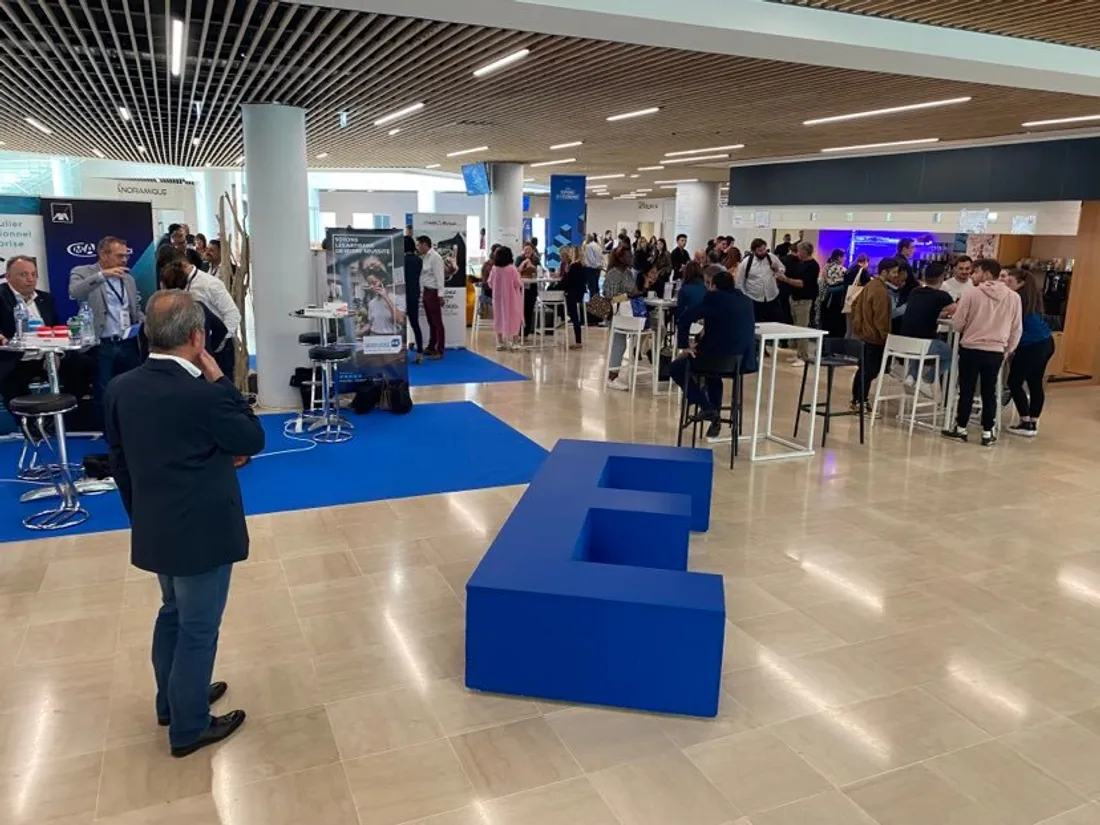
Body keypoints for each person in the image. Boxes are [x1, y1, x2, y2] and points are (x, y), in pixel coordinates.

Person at [105, 290, 264, 758]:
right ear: (197, 338)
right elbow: (251, 438)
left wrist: (141, 515)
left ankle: (173, 700)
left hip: (155, 523)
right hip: (203, 532)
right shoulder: (202, 395)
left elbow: (119, 461)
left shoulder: (120, 388)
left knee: (172, 614)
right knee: (198, 627)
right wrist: (222, 382)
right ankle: (190, 725)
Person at [669, 270, 758, 441]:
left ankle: (706, 406)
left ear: (713, 286)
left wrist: (684, 345)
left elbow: (685, 317)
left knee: (676, 368)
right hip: (739, 362)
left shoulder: (713, 298)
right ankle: (714, 417)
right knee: (713, 375)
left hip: (714, 359)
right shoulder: (746, 301)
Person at [942, 259, 1022, 447]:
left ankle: (961, 428)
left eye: (975, 272)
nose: (972, 275)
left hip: (971, 349)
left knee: (967, 389)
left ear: (986, 274)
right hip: (995, 351)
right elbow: (1017, 328)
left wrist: (966, 327)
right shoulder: (1013, 297)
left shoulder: (971, 293)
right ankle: (987, 432)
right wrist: (1008, 349)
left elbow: (958, 323)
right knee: (990, 391)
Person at [0, 256, 94, 415]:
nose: (30, 279)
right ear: (8, 276)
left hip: (46, 357)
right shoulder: (1, 296)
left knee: (85, 365)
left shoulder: (45, 298)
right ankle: (29, 424)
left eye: (33, 274)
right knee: (11, 381)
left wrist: (57, 353)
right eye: (23, 275)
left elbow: (56, 328)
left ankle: (62, 414)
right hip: (15, 359)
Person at [69, 236, 145, 426]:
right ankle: (106, 433)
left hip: (128, 343)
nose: (125, 260)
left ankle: (132, 428)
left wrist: (148, 322)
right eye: (120, 256)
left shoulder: (128, 278)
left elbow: (133, 309)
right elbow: (74, 292)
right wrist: (103, 276)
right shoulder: (83, 272)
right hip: (102, 344)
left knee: (133, 388)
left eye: (126, 256)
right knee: (103, 391)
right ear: (103, 254)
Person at [160, 245, 241, 378]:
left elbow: (233, 315)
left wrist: (217, 345)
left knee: (220, 390)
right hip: (190, 349)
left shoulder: (210, 284)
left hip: (217, 348)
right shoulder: (177, 280)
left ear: (182, 265)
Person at [850, 257, 906, 414]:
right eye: (893, 272)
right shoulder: (880, 291)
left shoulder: (870, 285)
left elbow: (854, 305)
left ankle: (857, 400)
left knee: (863, 370)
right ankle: (861, 400)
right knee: (869, 371)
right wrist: (885, 336)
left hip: (865, 334)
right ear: (884, 272)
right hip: (874, 337)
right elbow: (881, 317)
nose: (895, 276)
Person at [1003, 268, 1054, 438]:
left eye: (1009, 281)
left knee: (1014, 382)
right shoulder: (1032, 298)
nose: (1006, 284)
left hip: (1031, 345)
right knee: (1035, 382)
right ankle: (1033, 420)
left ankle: (1025, 421)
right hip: (1045, 342)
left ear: (1021, 283)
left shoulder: (1017, 299)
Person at [900, 262, 955, 396]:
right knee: (949, 354)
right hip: (924, 343)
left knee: (919, 346)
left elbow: (924, 311)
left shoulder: (915, 292)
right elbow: (955, 311)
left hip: (902, 342)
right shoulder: (942, 296)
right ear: (942, 278)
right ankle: (926, 380)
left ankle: (911, 377)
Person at [780, 241, 820, 365]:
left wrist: (785, 280)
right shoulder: (800, 263)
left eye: (799, 250)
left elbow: (802, 283)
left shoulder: (813, 266)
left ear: (804, 251)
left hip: (804, 299)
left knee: (802, 327)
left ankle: (803, 356)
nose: (797, 252)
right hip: (795, 298)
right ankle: (799, 353)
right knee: (797, 327)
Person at [603, 244, 637, 389]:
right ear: (620, 258)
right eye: (628, 256)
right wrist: (627, 296)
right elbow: (609, 296)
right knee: (618, 343)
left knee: (621, 344)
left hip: (627, 313)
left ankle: (613, 374)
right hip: (617, 313)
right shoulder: (614, 273)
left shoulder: (628, 273)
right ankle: (611, 377)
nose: (631, 258)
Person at [735, 238, 784, 323]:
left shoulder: (772, 257)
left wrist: (776, 269)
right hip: (754, 299)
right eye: (760, 250)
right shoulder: (746, 262)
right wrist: (746, 296)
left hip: (772, 297)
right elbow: (739, 282)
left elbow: (782, 269)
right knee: (756, 323)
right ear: (754, 251)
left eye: (764, 249)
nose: (763, 252)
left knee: (775, 323)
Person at [488, 246, 524, 351]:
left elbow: (490, 283)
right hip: (512, 298)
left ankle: (499, 342)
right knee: (514, 318)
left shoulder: (494, 269)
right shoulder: (512, 269)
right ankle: (514, 342)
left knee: (498, 318)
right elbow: (518, 284)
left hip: (498, 298)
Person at [416, 235, 446, 359]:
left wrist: (441, 295)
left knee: (437, 322)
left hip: (434, 292)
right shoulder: (425, 258)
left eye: (418, 245)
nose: (417, 247)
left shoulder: (435, 258)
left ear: (424, 244)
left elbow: (440, 277)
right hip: (427, 292)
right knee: (430, 321)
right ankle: (431, 346)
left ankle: (440, 349)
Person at [555, 246, 588, 349]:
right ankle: (565, 318)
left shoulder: (573, 266)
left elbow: (567, 282)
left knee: (574, 318)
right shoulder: (583, 266)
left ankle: (578, 342)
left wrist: (556, 287)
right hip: (579, 293)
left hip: (572, 293)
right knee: (574, 316)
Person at [817, 249, 848, 339]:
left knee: (825, 324)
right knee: (834, 326)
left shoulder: (826, 266)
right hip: (834, 300)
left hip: (823, 298)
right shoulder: (840, 269)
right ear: (839, 257)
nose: (845, 259)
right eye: (844, 257)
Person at [404, 235, 425, 363]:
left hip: (401, 295)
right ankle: (420, 353)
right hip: (414, 294)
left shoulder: (400, 260)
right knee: (415, 324)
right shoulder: (418, 260)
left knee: (398, 324)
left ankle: (397, 352)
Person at [896, 238, 917, 302]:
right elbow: (913, 283)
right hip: (904, 298)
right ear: (904, 249)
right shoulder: (904, 264)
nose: (914, 250)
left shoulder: (894, 259)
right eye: (912, 247)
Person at [583, 233, 603, 301]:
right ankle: (598, 303)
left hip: (591, 269)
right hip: (597, 269)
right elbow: (601, 257)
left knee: (592, 287)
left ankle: (593, 304)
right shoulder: (597, 246)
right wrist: (600, 265)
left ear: (588, 238)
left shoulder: (588, 246)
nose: (585, 239)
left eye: (585, 238)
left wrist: (597, 265)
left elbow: (591, 259)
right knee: (596, 286)